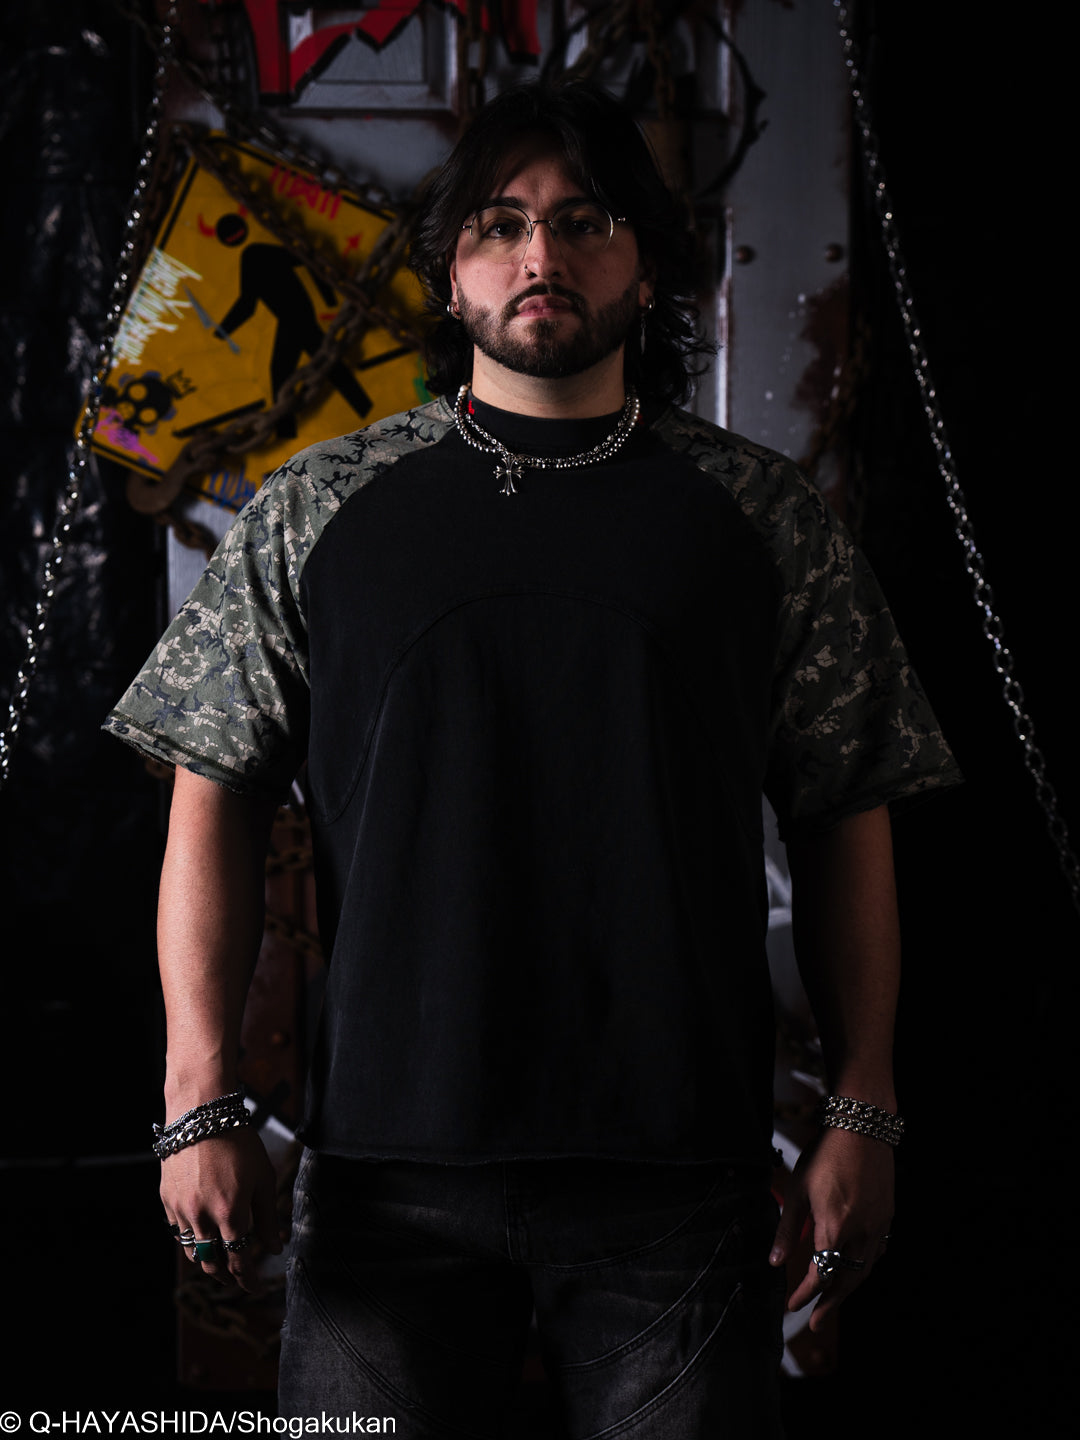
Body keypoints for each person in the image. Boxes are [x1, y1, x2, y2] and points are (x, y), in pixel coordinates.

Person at [106, 81, 959, 1436]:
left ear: (648, 264)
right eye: (500, 224)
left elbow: (848, 804)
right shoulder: (320, 509)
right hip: (386, 1179)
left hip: (676, 1177)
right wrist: (197, 1095)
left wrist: (866, 1105)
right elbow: (214, 794)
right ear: (451, 273)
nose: (541, 254)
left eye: (585, 220)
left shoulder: (761, 517)